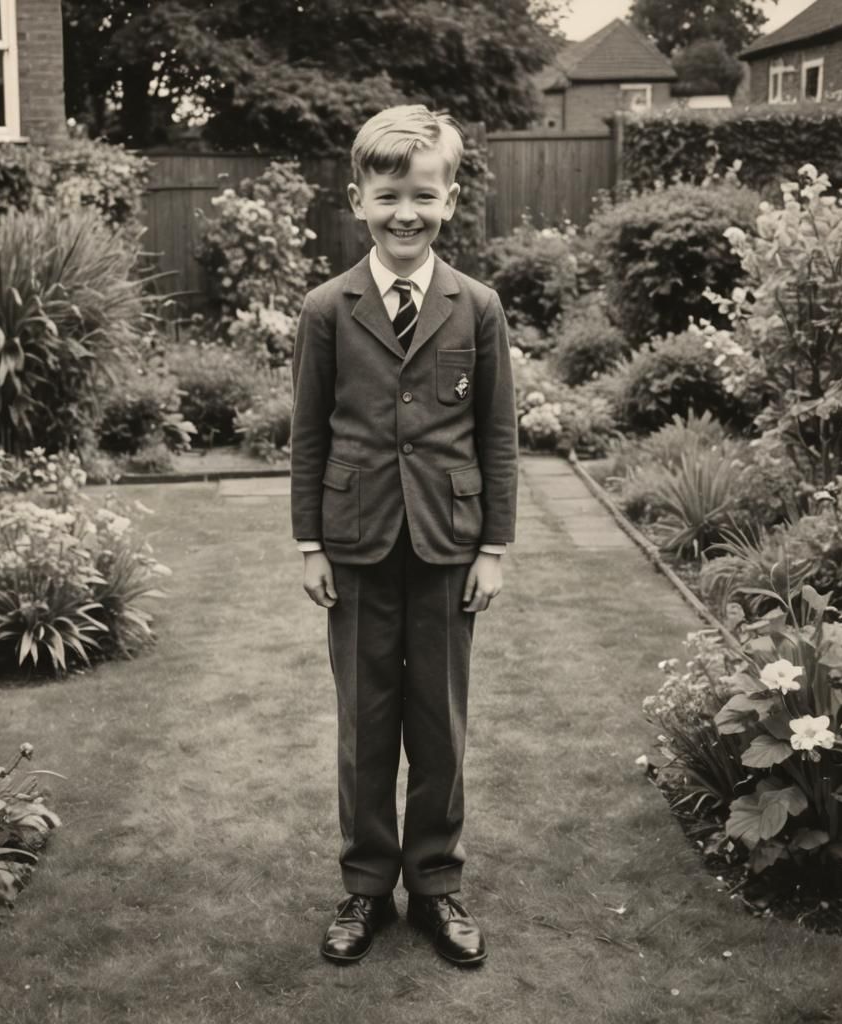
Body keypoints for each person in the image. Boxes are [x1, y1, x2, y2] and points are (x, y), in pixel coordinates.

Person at [290, 104, 518, 967]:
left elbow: (498, 435)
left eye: (424, 195)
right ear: (359, 200)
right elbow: (308, 434)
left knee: (439, 723)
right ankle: (363, 887)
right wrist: (309, 543)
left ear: (450, 199)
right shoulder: (327, 307)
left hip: (449, 544)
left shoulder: (477, 306)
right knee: (366, 721)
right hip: (355, 544)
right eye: (388, 197)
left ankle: (434, 884)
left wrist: (492, 548)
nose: (406, 213)